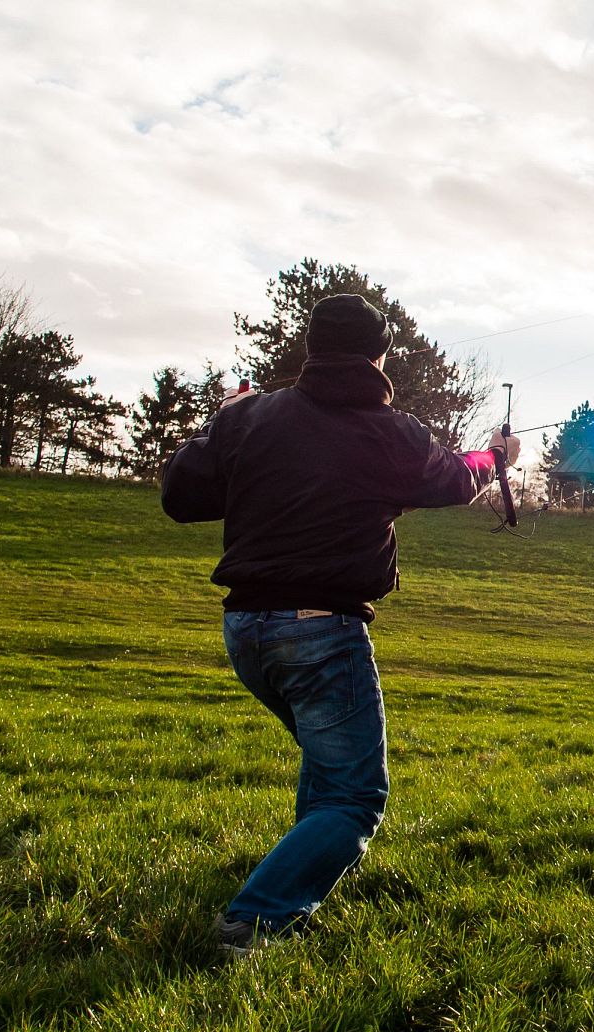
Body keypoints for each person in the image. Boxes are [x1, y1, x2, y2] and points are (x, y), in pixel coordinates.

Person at [161, 293, 514, 957]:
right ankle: (254, 919)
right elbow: (452, 481)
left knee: (329, 769)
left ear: (311, 348)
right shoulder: (387, 431)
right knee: (354, 797)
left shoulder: (252, 419)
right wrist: (494, 460)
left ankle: (291, 886)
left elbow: (180, 494)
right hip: (321, 634)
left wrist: (222, 421)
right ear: (380, 353)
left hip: (245, 632)